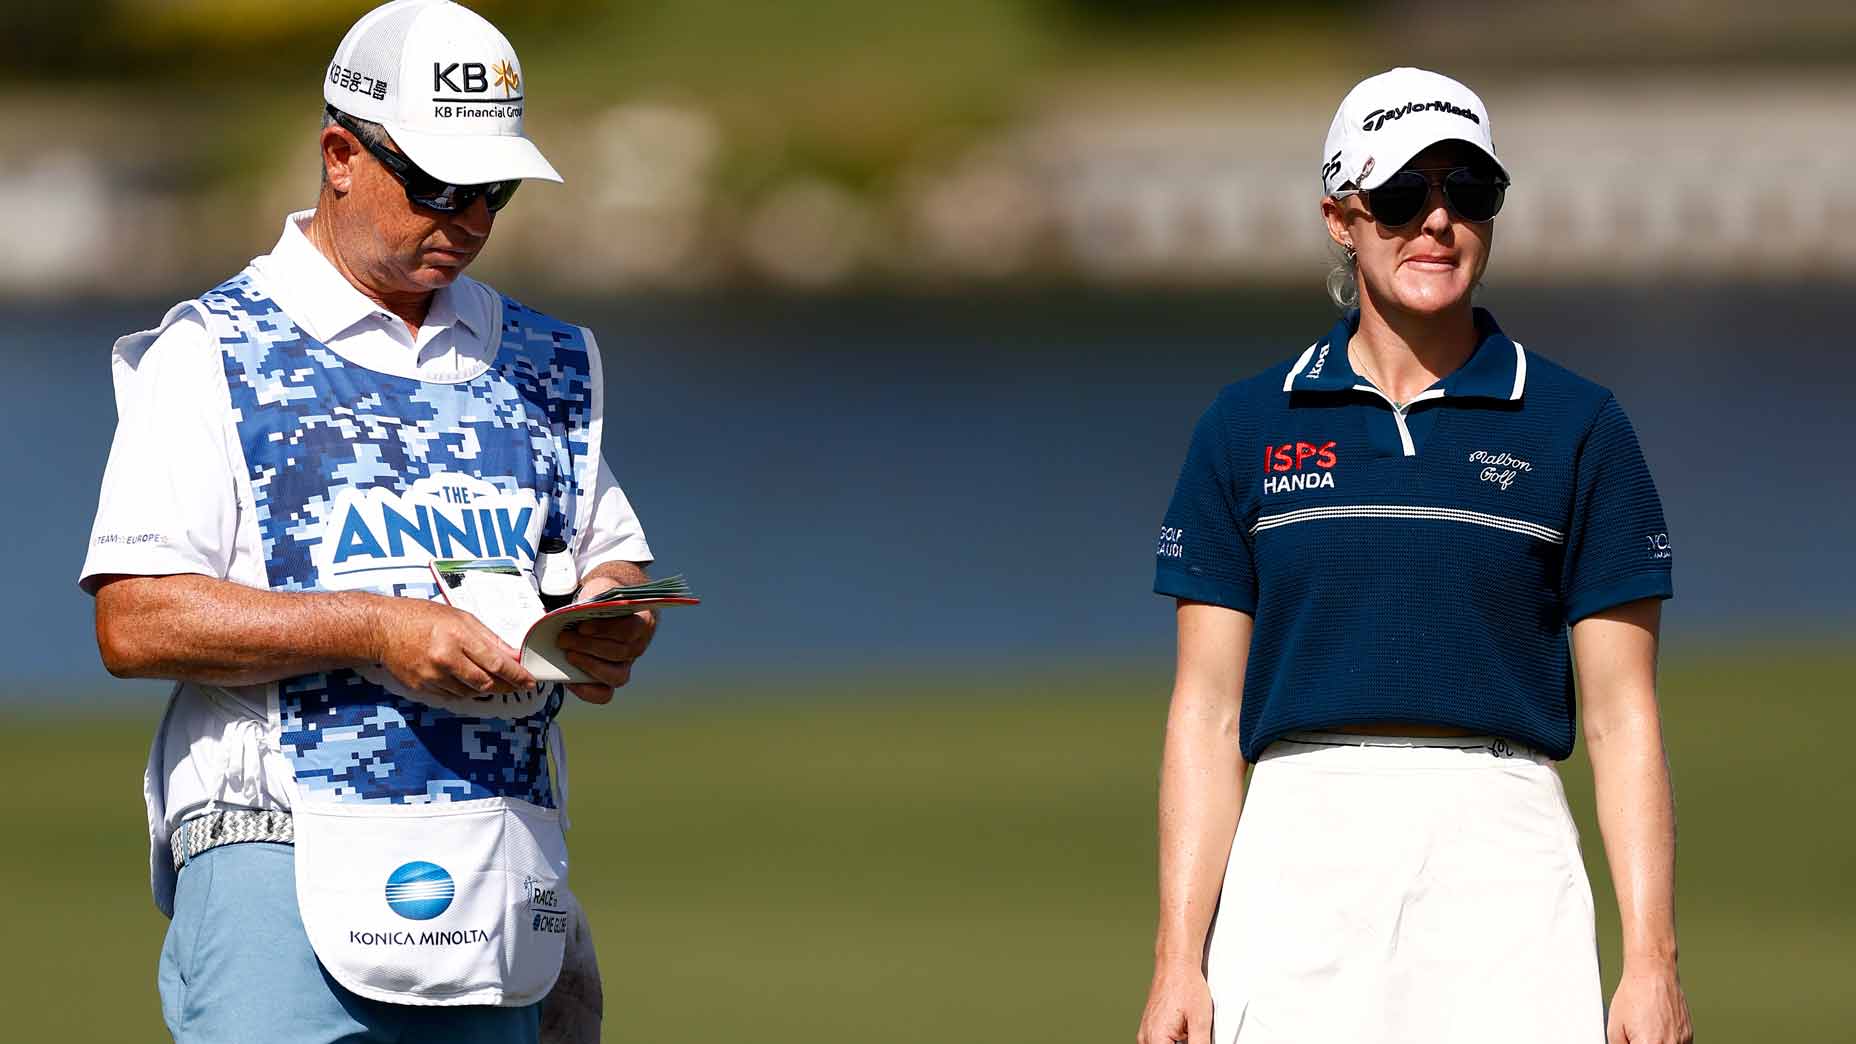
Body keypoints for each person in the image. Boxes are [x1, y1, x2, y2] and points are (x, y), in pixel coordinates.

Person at [79, 2, 652, 1041]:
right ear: (341, 156)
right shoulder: (211, 350)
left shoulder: (548, 359)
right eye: (435, 185)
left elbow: (609, 560)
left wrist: (611, 618)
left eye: (493, 190)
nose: (467, 218)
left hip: (500, 862)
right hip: (279, 851)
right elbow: (136, 619)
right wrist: (376, 627)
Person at [1135, 68, 1693, 1044]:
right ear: (1339, 219)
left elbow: (1620, 717)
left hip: (1504, 855)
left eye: (1467, 191)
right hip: (1295, 852)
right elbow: (1208, 712)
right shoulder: (1243, 426)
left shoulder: (1579, 426)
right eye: (1398, 195)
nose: (1436, 220)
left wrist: (1651, 962)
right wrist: (1176, 960)